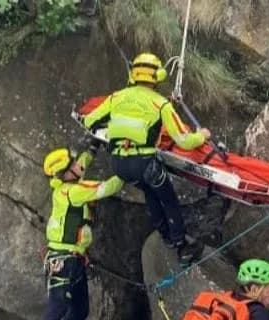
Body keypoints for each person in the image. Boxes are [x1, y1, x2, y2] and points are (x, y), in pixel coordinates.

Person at [81, 51, 210, 265]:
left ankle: (164, 234)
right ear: (156, 77)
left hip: (119, 164)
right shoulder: (161, 105)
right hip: (145, 164)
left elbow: (89, 121)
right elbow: (184, 141)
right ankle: (180, 246)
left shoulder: (117, 97)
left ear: (134, 75)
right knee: (168, 199)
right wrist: (202, 135)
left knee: (150, 191)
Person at [29, 147, 124, 320]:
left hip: (75, 258)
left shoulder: (64, 184)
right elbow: (108, 187)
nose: (77, 167)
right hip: (63, 260)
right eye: (73, 165)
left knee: (80, 309)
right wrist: (130, 169)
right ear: (64, 173)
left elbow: (80, 165)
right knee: (56, 308)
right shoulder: (74, 192)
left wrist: (90, 149)